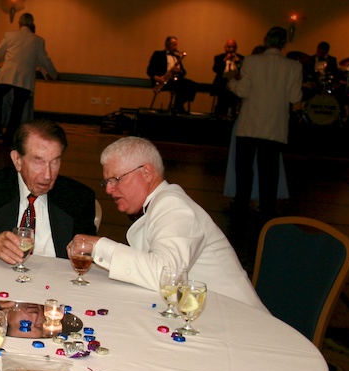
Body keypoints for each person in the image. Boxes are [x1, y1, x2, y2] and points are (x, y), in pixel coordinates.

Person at [69, 136, 264, 311]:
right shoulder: (162, 203)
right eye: (106, 182)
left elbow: (165, 276)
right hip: (207, 316)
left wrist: (99, 246)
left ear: (146, 172)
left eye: (116, 179)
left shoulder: (174, 205)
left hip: (240, 322)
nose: (109, 190)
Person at [0, 119, 97, 266]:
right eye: (38, 161)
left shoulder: (78, 198)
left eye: (55, 161)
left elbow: (90, 255)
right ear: (17, 160)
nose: (48, 175)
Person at [227, 26, 303, 222]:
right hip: (275, 128)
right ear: (284, 43)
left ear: (266, 41)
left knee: (244, 171)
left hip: (249, 125)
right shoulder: (294, 66)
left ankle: (241, 208)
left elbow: (242, 91)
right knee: (269, 172)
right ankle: (267, 211)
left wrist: (230, 83)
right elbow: (296, 96)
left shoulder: (252, 61)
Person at [0, 12, 58, 145]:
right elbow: (43, 61)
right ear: (32, 23)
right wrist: (53, 74)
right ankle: (9, 135)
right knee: (17, 110)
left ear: (19, 23)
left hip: (6, 76)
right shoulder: (38, 41)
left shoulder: (10, 35)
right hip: (25, 80)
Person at [147, 36, 197, 115]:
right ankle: (177, 107)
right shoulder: (158, 54)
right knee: (180, 85)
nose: (176, 47)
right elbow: (150, 70)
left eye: (176, 45)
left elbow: (184, 72)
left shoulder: (177, 57)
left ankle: (178, 105)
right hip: (164, 80)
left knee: (193, 85)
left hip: (176, 80)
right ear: (167, 44)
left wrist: (179, 71)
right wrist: (156, 77)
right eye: (174, 45)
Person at [211, 38, 244, 120]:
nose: (231, 49)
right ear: (225, 48)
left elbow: (244, 72)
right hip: (222, 82)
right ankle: (221, 113)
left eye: (233, 47)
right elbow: (215, 69)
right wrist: (225, 60)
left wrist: (238, 62)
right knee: (224, 90)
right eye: (229, 47)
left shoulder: (241, 58)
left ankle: (233, 113)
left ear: (236, 48)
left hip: (236, 82)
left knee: (236, 91)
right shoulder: (219, 57)